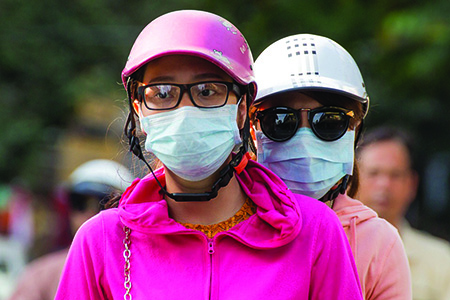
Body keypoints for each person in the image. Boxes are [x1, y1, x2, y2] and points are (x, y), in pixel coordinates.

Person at [55, 10, 363, 299]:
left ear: (242, 110)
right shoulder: (101, 241)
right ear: (139, 112)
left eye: (207, 91)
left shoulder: (314, 232)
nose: (185, 110)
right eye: (163, 93)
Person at [251, 33, 411, 299]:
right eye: (280, 120)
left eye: (328, 122)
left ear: (354, 129)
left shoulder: (378, 242)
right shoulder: (222, 223)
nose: (304, 141)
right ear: (254, 132)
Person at [9, 159, 133, 300]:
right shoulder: (39, 276)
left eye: (104, 203)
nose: (90, 213)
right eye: (79, 202)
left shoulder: (142, 275)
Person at [357, 126, 450, 300]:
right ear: (352, 181)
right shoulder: (331, 250)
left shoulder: (441, 260)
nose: (384, 184)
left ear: (412, 184)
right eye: (373, 173)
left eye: (395, 175)